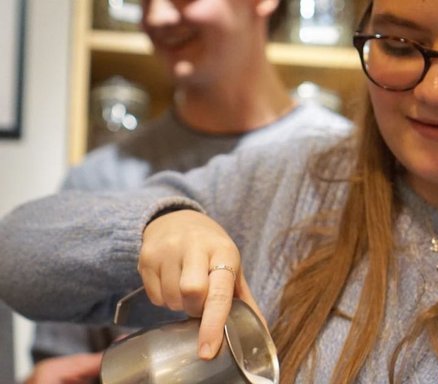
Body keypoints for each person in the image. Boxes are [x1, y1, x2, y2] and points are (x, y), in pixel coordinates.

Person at [1, 0, 438, 382]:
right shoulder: (291, 181)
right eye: (399, 44)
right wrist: (157, 227)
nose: (435, 92)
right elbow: (18, 252)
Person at [23, 0, 351, 382]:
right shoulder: (101, 179)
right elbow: (59, 357)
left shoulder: (351, 170)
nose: (156, 17)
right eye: (143, 1)